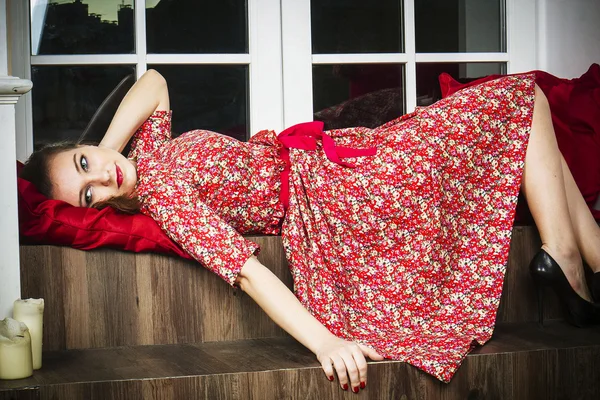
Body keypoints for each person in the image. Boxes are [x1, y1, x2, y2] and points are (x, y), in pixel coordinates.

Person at [20, 69, 600, 389]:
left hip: (335, 163)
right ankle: (571, 262)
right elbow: (248, 274)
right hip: (338, 201)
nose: (101, 177)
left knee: (527, 106)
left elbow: (153, 82)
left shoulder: (146, 157)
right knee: (521, 99)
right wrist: (325, 341)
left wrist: (108, 152)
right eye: (89, 192)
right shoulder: (166, 203)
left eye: (83, 163)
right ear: (93, 209)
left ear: (84, 144)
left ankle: (573, 260)